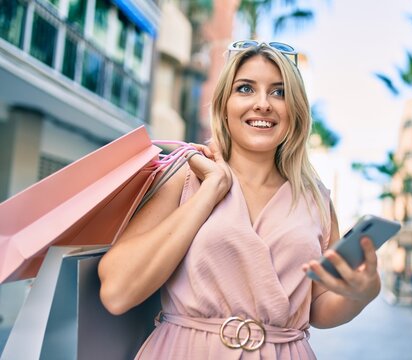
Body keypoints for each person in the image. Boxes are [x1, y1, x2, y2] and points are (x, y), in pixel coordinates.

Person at [98, 40, 381, 359]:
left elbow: (319, 307)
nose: (263, 104)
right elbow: (117, 292)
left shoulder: (315, 196)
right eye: (245, 88)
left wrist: (362, 293)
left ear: (296, 110)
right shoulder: (188, 176)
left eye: (279, 92)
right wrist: (211, 191)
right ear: (223, 105)